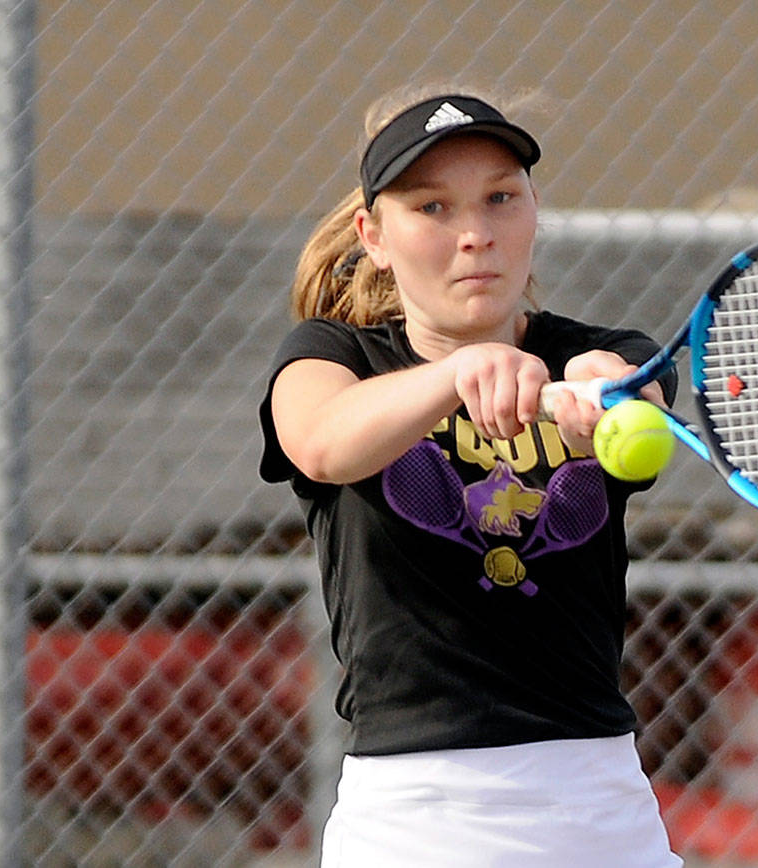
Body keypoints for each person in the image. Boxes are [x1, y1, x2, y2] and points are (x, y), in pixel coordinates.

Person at [259, 85, 683, 867]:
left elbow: (643, 399)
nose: (476, 235)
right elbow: (322, 443)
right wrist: (459, 375)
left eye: (500, 199)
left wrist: (610, 387)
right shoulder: (333, 359)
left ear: (534, 209)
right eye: (433, 208)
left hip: (601, 807)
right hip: (419, 816)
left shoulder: (600, 349)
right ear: (373, 236)